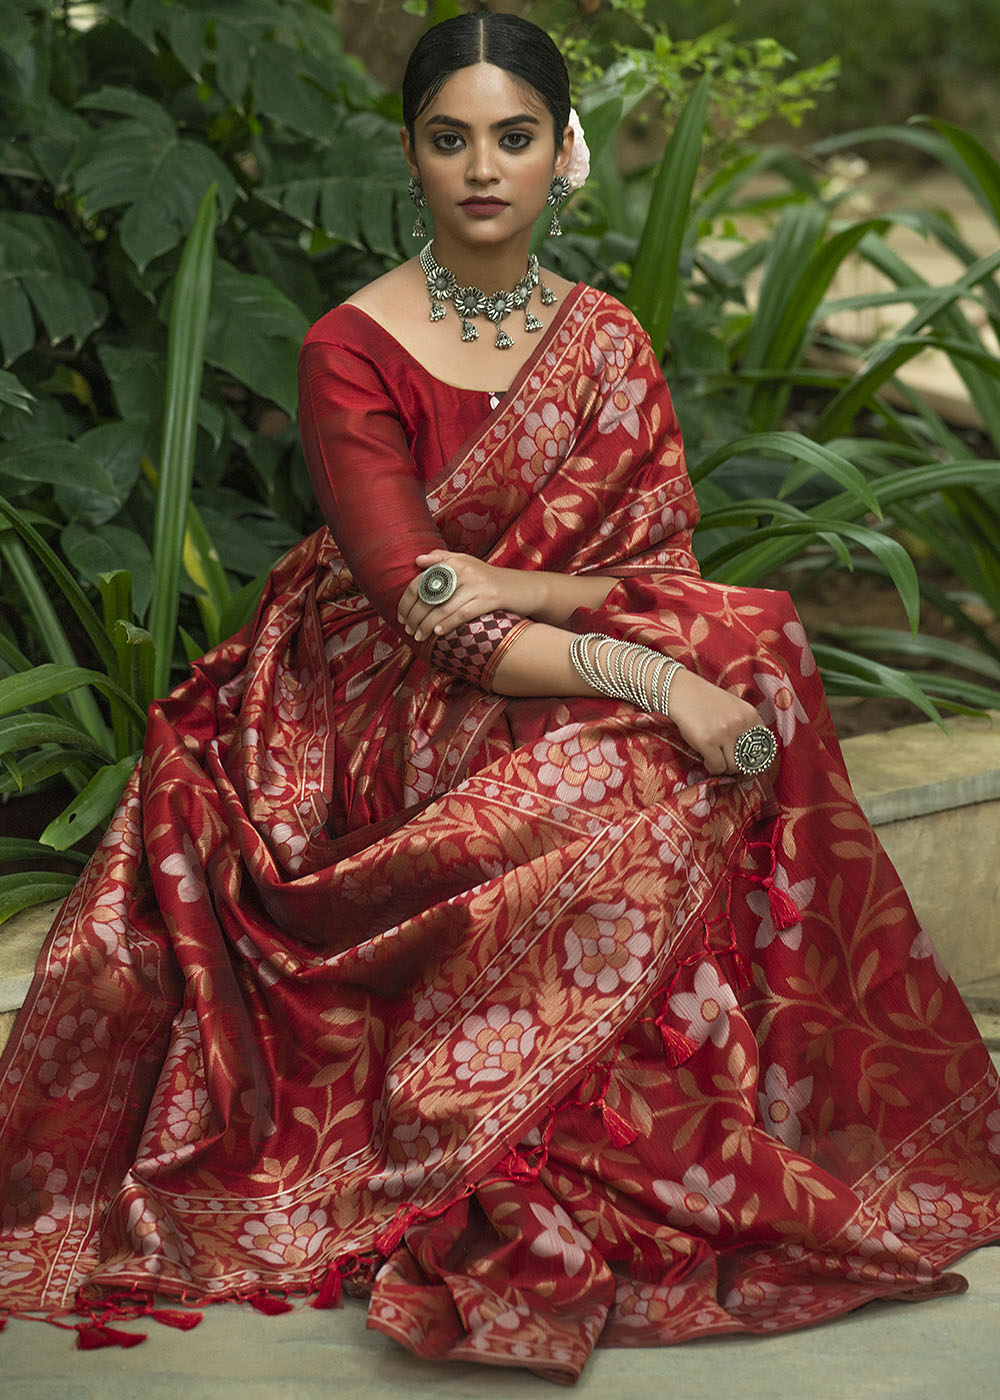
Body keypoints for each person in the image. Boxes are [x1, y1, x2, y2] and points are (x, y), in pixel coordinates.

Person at [1, 11, 998, 1382]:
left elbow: (650, 569)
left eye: (514, 137)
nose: (483, 167)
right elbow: (429, 612)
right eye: (449, 137)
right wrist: (644, 670)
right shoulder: (350, 347)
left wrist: (575, 607)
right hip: (366, 696)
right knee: (648, 760)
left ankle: (672, 1104)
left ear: (562, 150)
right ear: (408, 153)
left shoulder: (604, 341)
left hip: (541, 646)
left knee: (757, 646)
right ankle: (508, 1110)